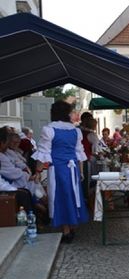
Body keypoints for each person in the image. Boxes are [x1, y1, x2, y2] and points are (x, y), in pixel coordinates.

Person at [32, 100, 89, 243]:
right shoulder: (75, 131)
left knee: (61, 197)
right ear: (67, 114)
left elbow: (43, 153)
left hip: (58, 170)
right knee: (72, 195)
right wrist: (81, 172)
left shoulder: (49, 130)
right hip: (73, 169)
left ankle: (66, 230)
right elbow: (79, 154)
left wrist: (38, 171)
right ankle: (72, 225)